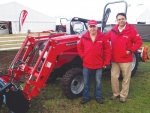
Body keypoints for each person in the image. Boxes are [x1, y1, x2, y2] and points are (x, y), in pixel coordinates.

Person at [106, 13, 142, 103]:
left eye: (122, 19)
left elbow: (139, 42)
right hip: (114, 59)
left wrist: (130, 50)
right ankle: (116, 93)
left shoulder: (131, 30)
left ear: (126, 19)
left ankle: (123, 95)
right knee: (114, 77)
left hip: (126, 60)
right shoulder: (113, 30)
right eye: (119, 19)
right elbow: (104, 38)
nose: (121, 21)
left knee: (126, 78)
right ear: (116, 21)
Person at [77, 20, 111, 104]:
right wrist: (83, 56)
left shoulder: (103, 37)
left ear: (97, 27)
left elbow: (108, 50)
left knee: (98, 82)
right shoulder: (84, 37)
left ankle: (98, 96)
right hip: (87, 64)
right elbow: (79, 48)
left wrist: (106, 62)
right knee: (86, 82)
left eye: (94, 26)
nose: (92, 28)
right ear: (88, 28)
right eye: (90, 27)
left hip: (99, 64)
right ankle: (86, 97)